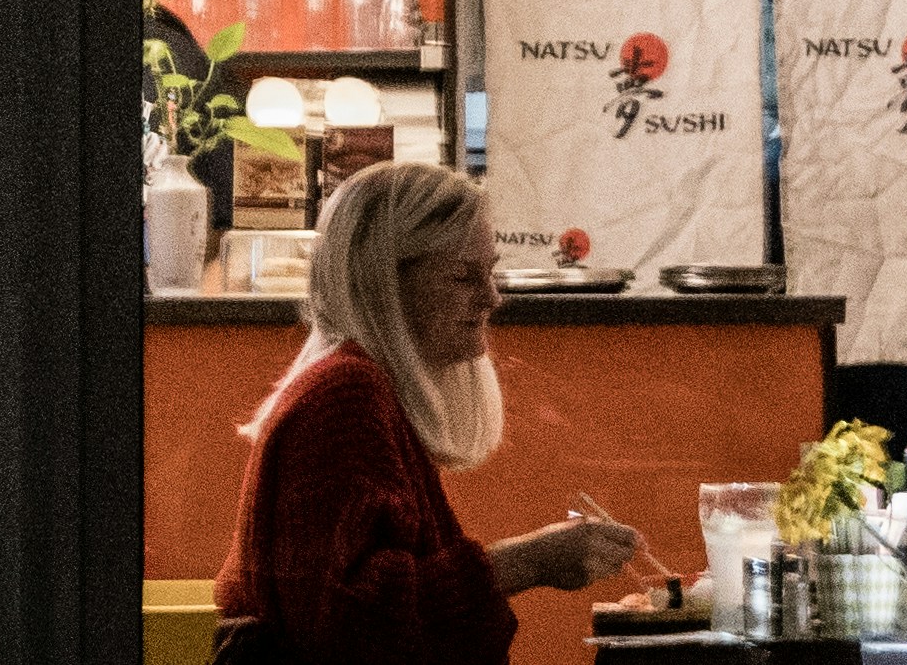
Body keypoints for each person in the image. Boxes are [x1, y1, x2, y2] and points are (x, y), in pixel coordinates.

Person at [216, 163, 639, 663]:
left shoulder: (368, 389)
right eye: (463, 276)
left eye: (490, 270)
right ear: (383, 282)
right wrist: (530, 561)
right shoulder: (343, 397)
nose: (491, 297)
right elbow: (348, 627)